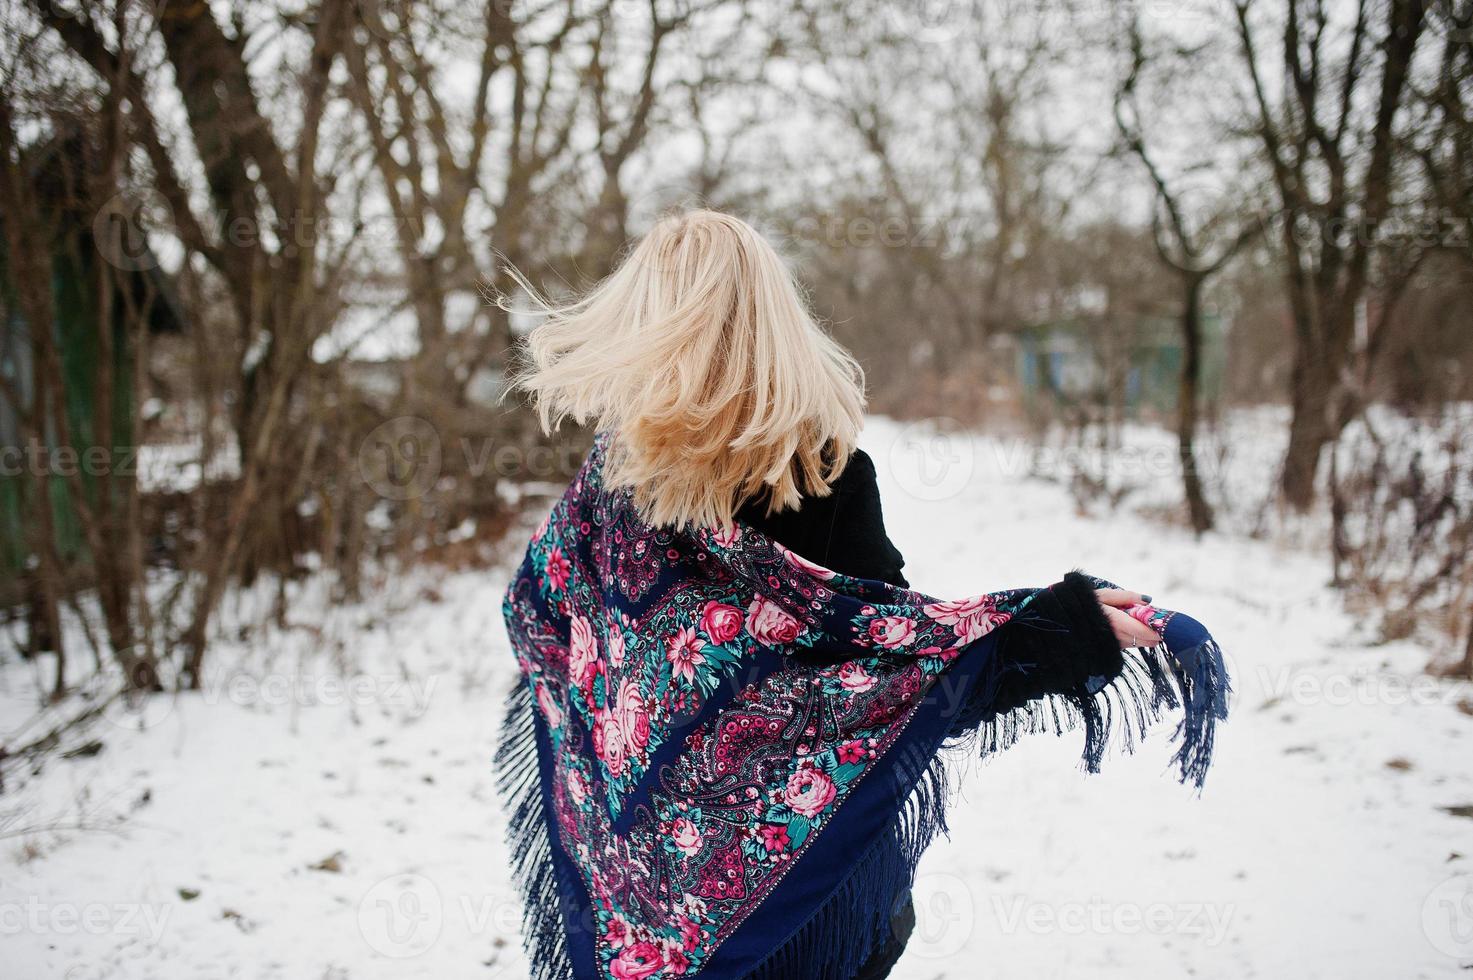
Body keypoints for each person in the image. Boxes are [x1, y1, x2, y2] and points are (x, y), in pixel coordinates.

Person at [498, 210, 1220, 980]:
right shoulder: (820, 473)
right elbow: (903, 659)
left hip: (643, 893)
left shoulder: (612, 482)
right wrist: (1061, 631)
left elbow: (535, 616)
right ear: (774, 322)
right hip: (815, 898)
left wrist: (615, 730)